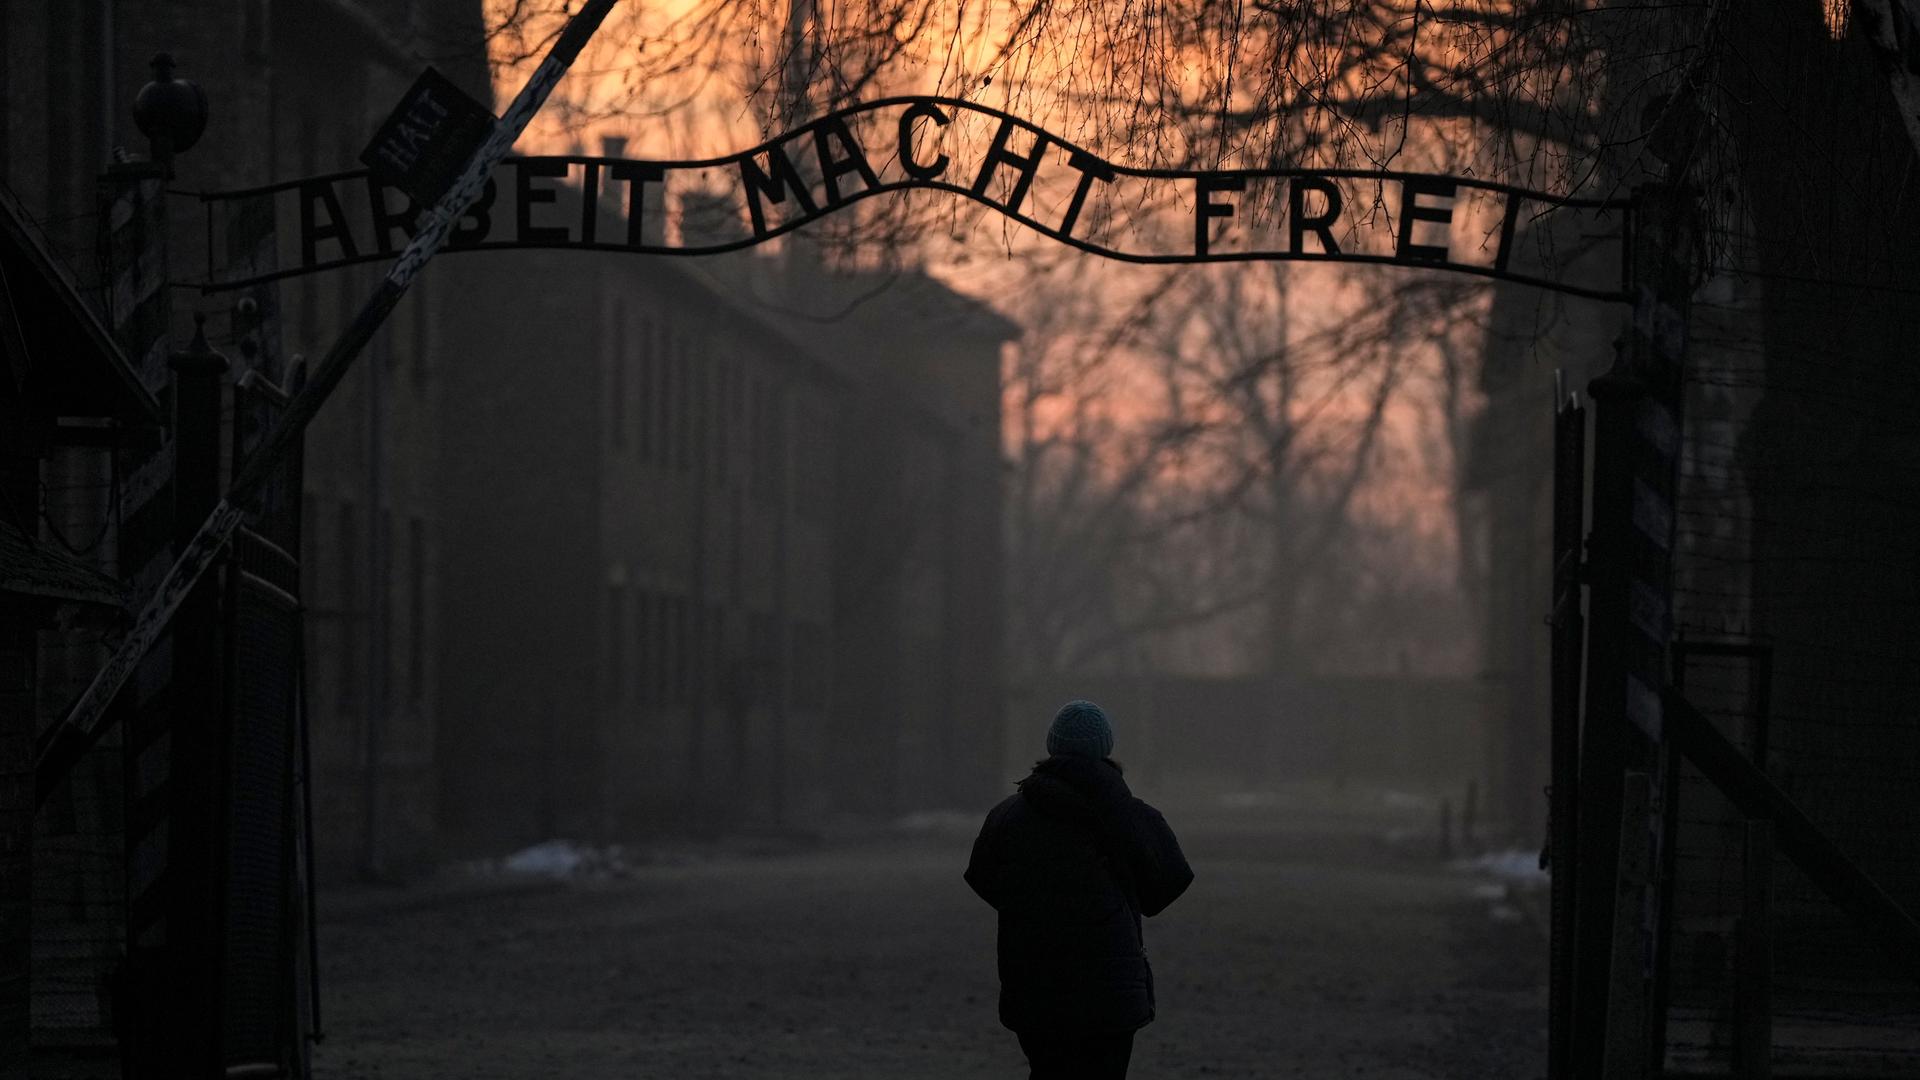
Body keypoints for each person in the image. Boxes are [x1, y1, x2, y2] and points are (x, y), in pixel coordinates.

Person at [964, 699, 1194, 1080]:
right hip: (1112, 993)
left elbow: (985, 881)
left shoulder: (1009, 817)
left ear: (1052, 746)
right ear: (1107, 748)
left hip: (1034, 987)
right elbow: (1166, 887)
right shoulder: (1134, 818)